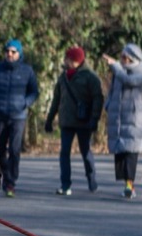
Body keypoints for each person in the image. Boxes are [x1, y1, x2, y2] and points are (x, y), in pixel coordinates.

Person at [44, 45, 105, 195]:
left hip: (84, 121)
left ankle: (91, 179)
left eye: (68, 59)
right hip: (66, 122)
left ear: (76, 60)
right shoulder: (63, 77)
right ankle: (65, 185)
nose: (65, 61)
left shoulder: (90, 77)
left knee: (86, 152)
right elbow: (56, 100)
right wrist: (49, 119)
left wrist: (94, 119)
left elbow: (98, 99)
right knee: (64, 153)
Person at [0, 38, 37, 197]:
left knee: (14, 150)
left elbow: (34, 92)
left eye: (13, 51)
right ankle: (5, 175)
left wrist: (25, 103)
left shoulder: (27, 71)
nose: (9, 54)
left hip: (18, 116)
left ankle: (10, 181)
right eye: (7, 51)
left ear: (19, 53)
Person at [105, 43, 142, 200]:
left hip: (133, 119)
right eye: (121, 57)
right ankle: (126, 184)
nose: (122, 60)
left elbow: (129, 81)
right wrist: (108, 105)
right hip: (118, 118)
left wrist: (115, 67)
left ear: (132, 58)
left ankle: (130, 185)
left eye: (125, 57)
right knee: (121, 154)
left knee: (131, 153)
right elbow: (112, 90)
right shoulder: (119, 71)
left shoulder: (140, 72)